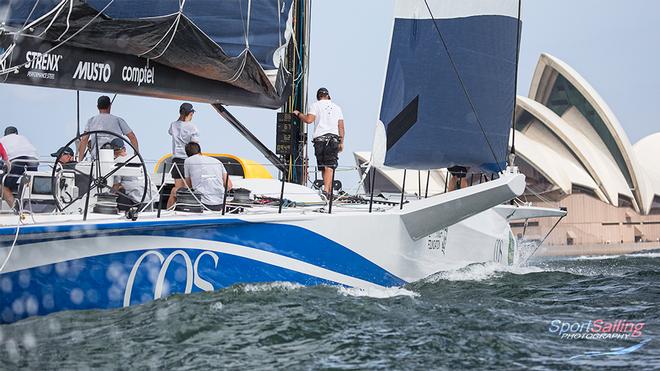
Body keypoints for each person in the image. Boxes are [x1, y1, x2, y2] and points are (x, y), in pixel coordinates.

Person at [293, 87, 345, 197]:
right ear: (328, 96)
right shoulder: (337, 108)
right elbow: (341, 127)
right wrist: (341, 142)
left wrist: (298, 114)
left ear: (318, 96)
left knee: (322, 167)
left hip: (319, 141)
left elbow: (309, 120)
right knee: (329, 166)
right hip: (332, 139)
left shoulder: (315, 105)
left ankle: (327, 190)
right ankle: (327, 191)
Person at [78, 96, 139, 161]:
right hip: (116, 158)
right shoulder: (118, 120)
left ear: (97, 107)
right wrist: (136, 155)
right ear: (110, 105)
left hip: (97, 158)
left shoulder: (91, 120)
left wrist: (79, 161)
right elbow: (132, 137)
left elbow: (84, 140)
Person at [167, 102, 200, 208]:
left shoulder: (173, 125)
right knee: (188, 189)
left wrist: (180, 118)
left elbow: (170, 132)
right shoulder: (193, 127)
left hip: (176, 160)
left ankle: (171, 209)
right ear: (190, 114)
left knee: (177, 189)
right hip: (188, 160)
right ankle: (184, 208)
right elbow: (194, 145)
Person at [183, 142, 232, 211]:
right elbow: (229, 185)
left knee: (174, 191)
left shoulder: (188, 161)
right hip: (220, 204)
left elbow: (188, 186)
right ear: (200, 151)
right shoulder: (217, 161)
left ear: (187, 153)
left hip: (202, 203)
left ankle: (168, 213)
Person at [0, 126, 39, 208]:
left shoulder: (2, 140)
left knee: (2, 185)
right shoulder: (23, 138)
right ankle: (31, 207)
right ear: (16, 133)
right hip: (33, 161)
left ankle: (15, 207)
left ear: (5, 134)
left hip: (16, 160)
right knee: (28, 184)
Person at [109, 138, 154, 210]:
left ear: (112, 152)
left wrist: (107, 198)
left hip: (138, 199)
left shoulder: (117, 162)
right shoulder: (136, 158)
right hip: (152, 196)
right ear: (124, 149)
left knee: (118, 195)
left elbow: (116, 186)